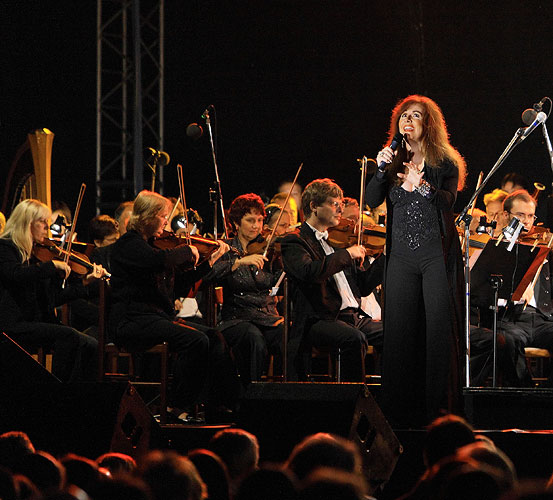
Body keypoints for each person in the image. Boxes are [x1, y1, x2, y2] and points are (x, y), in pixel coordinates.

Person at [366, 94, 466, 426]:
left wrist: (419, 185)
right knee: (398, 334)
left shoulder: (444, 162)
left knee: (436, 333)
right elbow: (370, 199)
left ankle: (436, 415)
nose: (408, 120)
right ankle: (397, 415)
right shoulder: (391, 159)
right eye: (404, 115)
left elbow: (448, 202)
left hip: (434, 254)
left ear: (429, 124)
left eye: (416, 116)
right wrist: (381, 171)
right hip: (401, 258)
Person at [108, 190, 238, 421]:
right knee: (195, 340)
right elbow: (160, 261)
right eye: (163, 216)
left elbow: (179, 287)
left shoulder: (154, 246)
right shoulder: (128, 245)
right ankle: (175, 407)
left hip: (157, 318)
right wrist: (187, 249)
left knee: (215, 337)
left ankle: (218, 404)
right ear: (147, 217)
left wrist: (210, 262)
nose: (167, 222)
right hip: (132, 320)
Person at [281, 178, 384, 382]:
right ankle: (352, 402)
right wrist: (346, 255)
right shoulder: (294, 240)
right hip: (319, 319)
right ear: (314, 206)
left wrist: (385, 257)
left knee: (397, 333)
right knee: (353, 339)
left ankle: (390, 398)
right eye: (334, 203)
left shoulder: (338, 240)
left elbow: (362, 286)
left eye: (341, 204)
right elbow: (309, 272)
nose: (340, 209)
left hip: (353, 317)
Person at [0, 199, 103, 382]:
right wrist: (52, 266)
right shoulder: (6, 248)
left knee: (91, 344)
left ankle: (82, 396)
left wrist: (85, 283)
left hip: (37, 321)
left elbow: (53, 299)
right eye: (42, 222)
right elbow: (16, 274)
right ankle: (57, 393)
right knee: (69, 337)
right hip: (12, 324)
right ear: (27, 223)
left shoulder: (37, 254)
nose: (47, 228)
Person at [203, 194, 286, 386]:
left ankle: (285, 394)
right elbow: (208, 274)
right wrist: (238, 262)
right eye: (250, 220)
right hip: (237, 318)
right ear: (236, 223)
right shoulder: (226, 248)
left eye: (259, 220)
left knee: (289, 337)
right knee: (254, 339)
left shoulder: (270, 249)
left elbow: (278, 281)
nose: (256, 225)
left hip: (268, 317)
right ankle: (251, 396)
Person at [495, 190, 553, 385]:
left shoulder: (541, 244)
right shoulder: (496, 247)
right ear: (505, 216)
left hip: (540, 317)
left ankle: (547, 393)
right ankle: (523, 392)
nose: (527, 222)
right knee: (509, 341)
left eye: (530, 216)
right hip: (510, 317)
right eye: (520, 215)